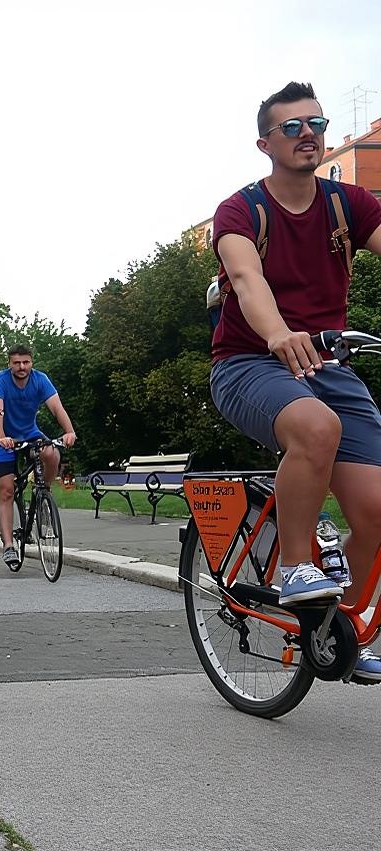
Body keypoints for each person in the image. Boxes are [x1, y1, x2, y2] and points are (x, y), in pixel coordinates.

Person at [210, 81, 381, 680]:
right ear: (266, 143)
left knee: (377, 509)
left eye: (316, 123)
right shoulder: (241, 210)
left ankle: (347, 633)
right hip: (247, 364)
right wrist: (279, 333)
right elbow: (246, 278)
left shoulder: (349, 204)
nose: (308, 133)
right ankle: (294, 565)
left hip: (329, 364)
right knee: (315, 426)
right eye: (292, 127)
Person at [0, 345, 77, 568]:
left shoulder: (40, 380)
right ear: (9, 363)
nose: (21, 367)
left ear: (32, 362)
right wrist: (1, 437)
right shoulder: (0, 381)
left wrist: (69, 431)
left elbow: (57, 408)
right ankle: (8, 545)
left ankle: (42, 492)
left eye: (26, 362)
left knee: (51, 452)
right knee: (7, 489)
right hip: (3, 438)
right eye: (16, 363)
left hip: (29, 432)